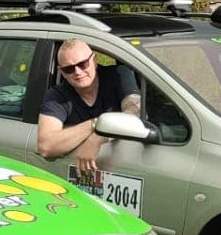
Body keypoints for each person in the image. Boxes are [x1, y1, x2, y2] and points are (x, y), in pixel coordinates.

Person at [36, 39, 142, 187]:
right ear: (62, 72)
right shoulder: (57, 96)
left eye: (83, 64)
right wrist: (95, 124)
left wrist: (98, 137)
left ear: (95, 61)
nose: (77, 72)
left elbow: (134, 112)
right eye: (69, 69)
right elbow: (46, 146)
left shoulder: (118, 75)